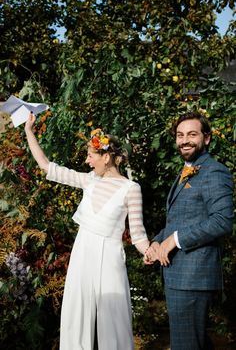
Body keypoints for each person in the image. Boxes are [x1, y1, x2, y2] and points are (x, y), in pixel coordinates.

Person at [25, 113, 150, 350]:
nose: (87, 161)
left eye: (91, 156)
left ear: (106, 157)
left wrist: (150, 251)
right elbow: (46, 166)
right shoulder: (89, 181)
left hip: (111, 257)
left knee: (114, 318)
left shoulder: (131, 189)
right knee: (76, 314)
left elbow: (138, 234)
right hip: (83, 252)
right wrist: (29, 131)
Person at [145, 112, 233, 350]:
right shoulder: (186, 170)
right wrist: (157, 241)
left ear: (206, 138)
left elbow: (222, 220)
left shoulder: (214, 172)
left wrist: (174, 240)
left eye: (192, 134)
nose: (185, 140)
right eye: (180, 135)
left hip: (193, 277)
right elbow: (179, 219)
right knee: (194, 343)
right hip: (178, 275)